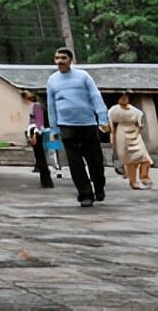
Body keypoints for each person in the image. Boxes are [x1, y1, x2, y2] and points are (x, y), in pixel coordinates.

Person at [46, 47, 110, 207]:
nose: (59, 61)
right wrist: (53, 129)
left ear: (70, 60)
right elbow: (51, 106)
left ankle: (99, 186)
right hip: (66, 126)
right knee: (75, 163)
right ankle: (85, 194)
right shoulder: (52, 80)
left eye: (63, 58)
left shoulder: (83, 76)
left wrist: (102, 118)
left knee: (95, 161)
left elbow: (96, 96)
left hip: (87, 124)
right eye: (57, 58)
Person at [108, 90, 154, 190]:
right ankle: (133, 182)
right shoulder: (113, 110)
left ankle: (144, 177)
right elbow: (111, 126)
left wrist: (138, 129)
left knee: (144, 156)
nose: (124, 99)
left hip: (135, 133)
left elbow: (140, 123)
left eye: (126, 97)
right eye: (121, 97)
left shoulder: (135, 111)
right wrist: (113, 140)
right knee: (130, 160)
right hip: (121, 135)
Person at [21, 90, 53, 189]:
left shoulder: (37, 106)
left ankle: (46, 181)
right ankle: (45, 180)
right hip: (32, 130)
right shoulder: (32, 106)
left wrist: (35, 134)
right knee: (39, 156)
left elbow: (39, 122)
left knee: (41, 156)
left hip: (36, 132)